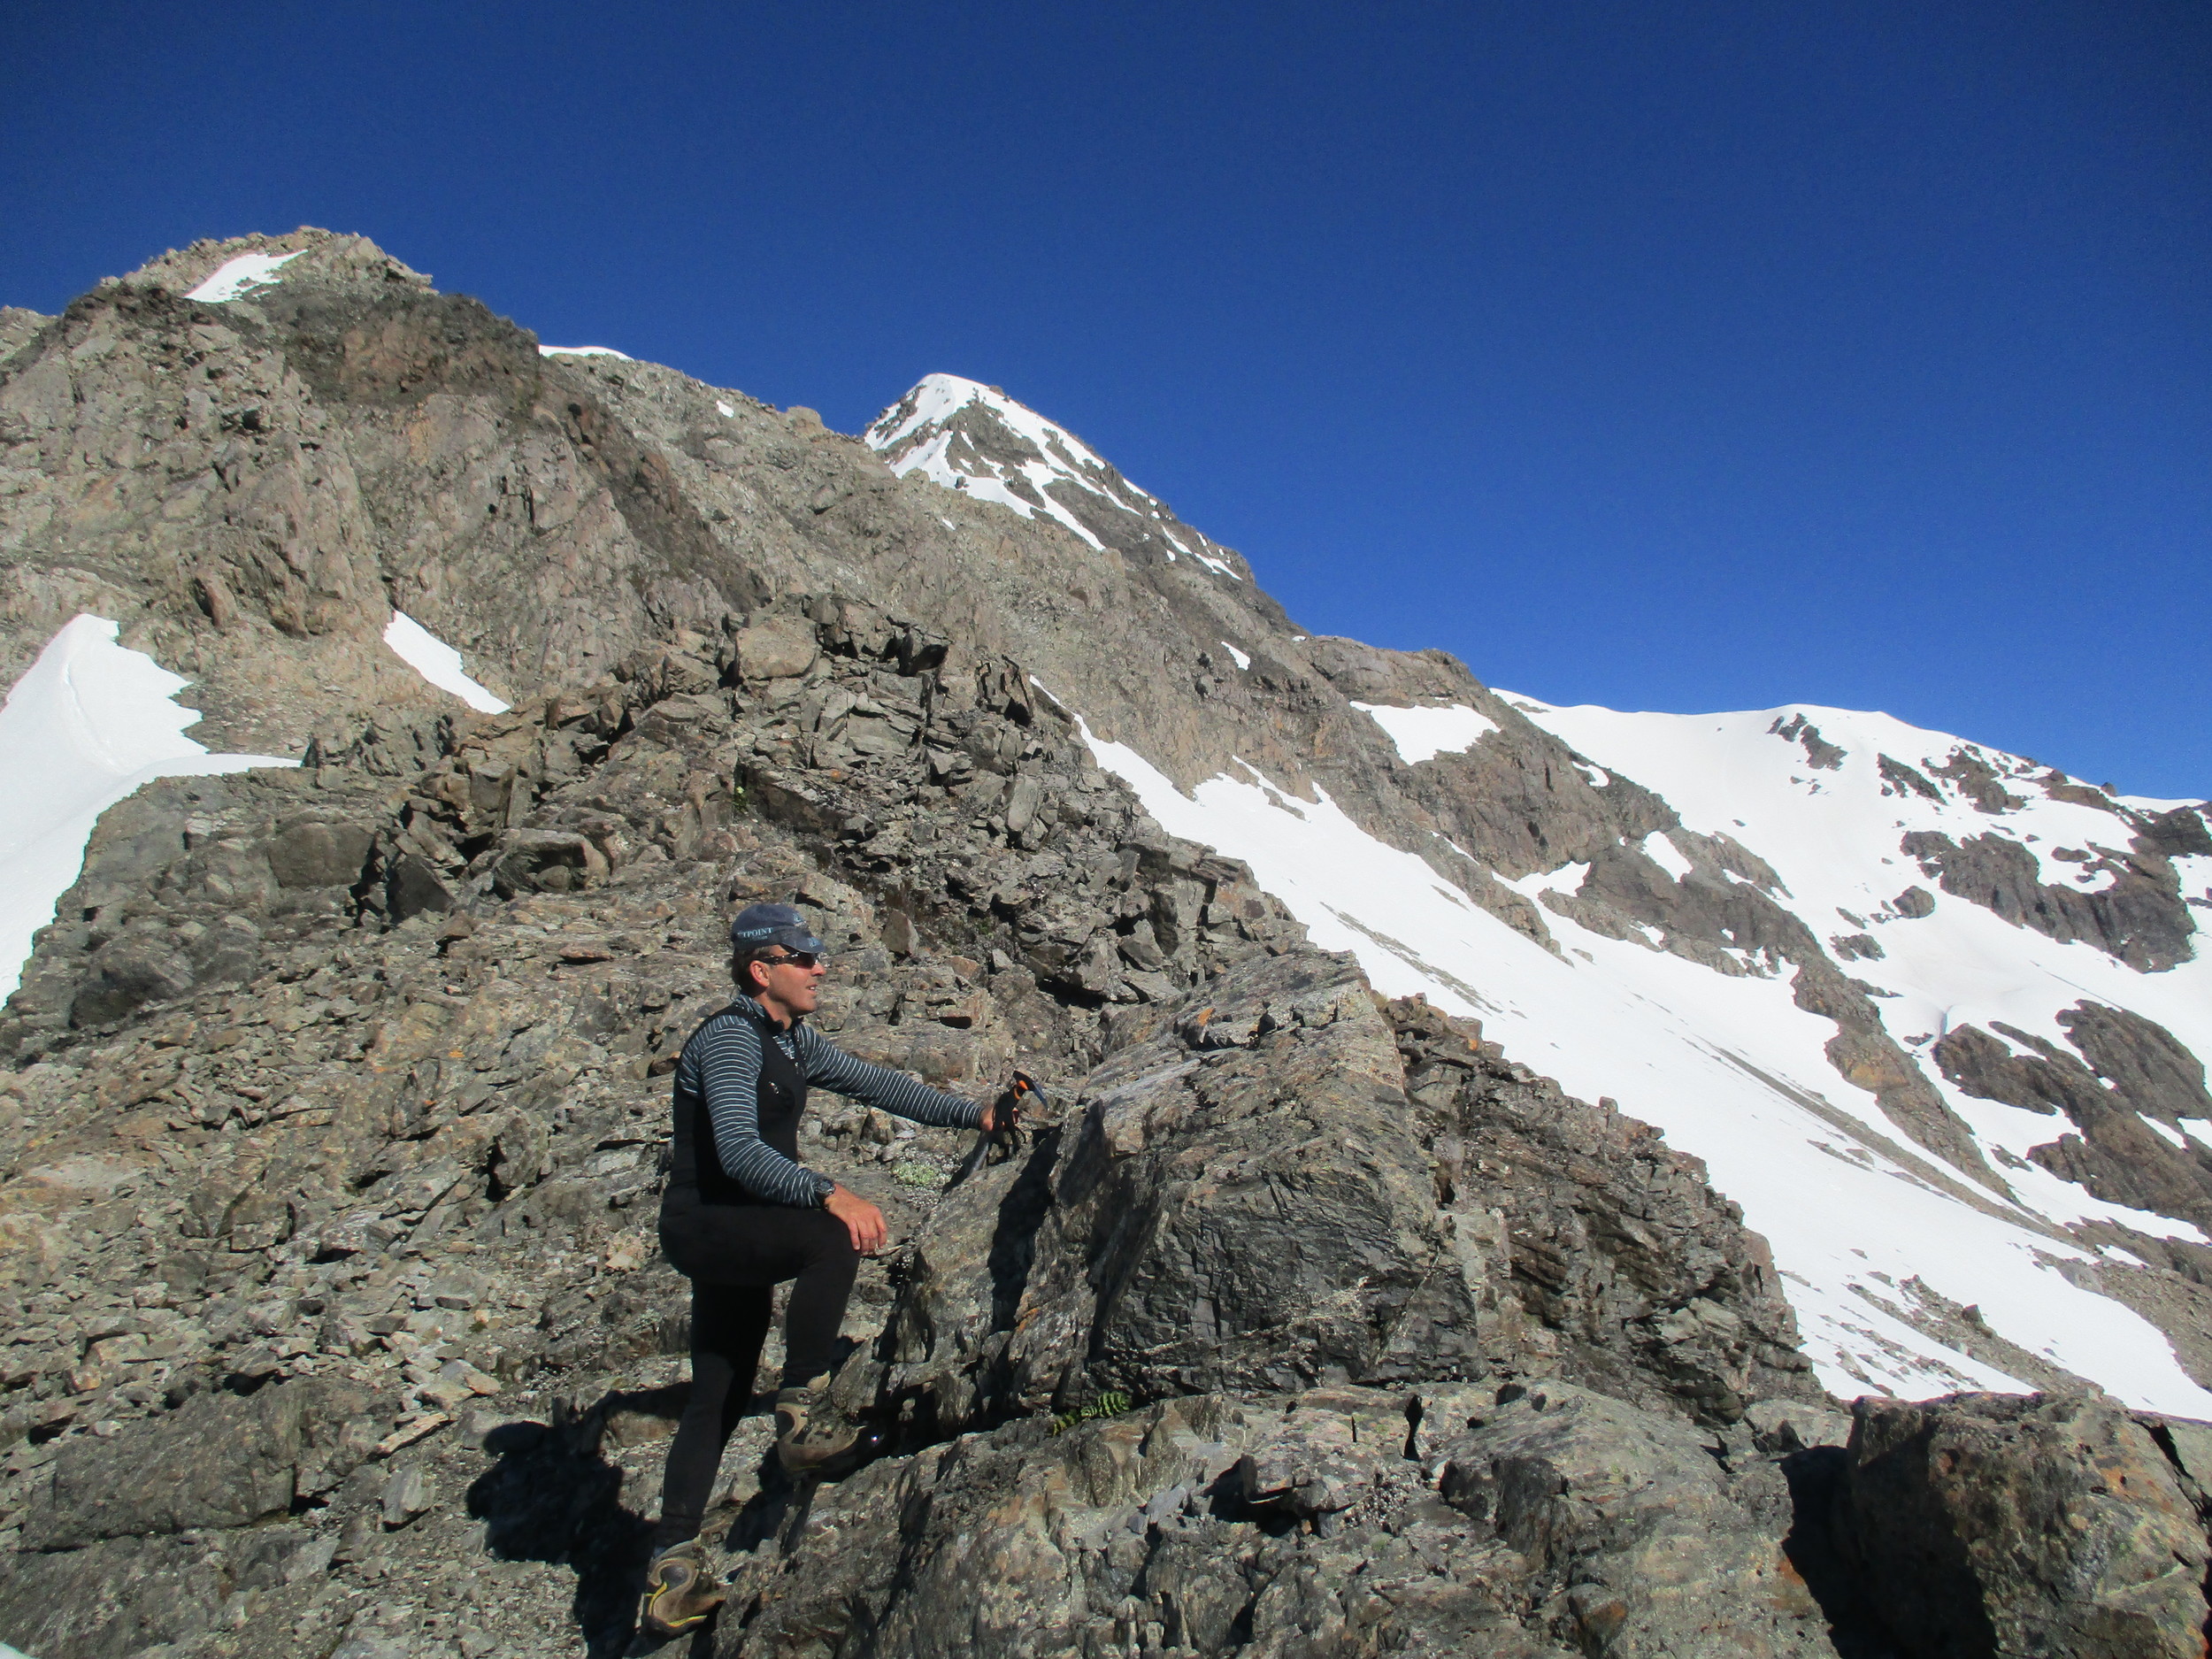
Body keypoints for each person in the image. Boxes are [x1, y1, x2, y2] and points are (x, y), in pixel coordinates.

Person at [637, 902, 1015, 1639]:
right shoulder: (729, 1040)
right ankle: (802, 1414)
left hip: (730, 1226)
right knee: (829, 1237)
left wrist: (975, 1115)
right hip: (708, 1222)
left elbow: (875, 1083)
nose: (820, 967)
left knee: (718, 1386)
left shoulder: (791, 1038)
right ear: (761, 969)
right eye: (803, 956)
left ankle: (669, 1570)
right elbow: (741, 1152)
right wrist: (831, 1193)